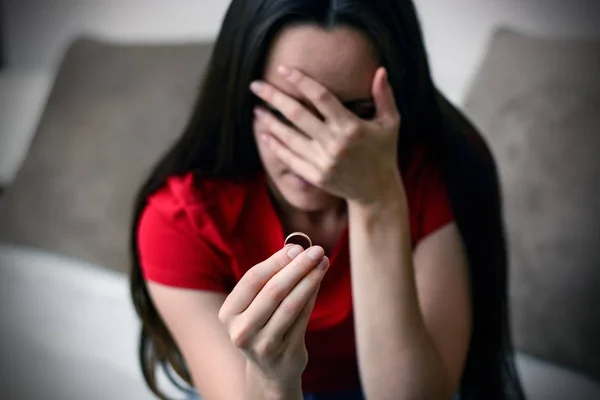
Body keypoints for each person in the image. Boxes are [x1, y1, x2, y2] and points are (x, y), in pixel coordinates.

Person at [129, 1, 526, 399]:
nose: (327, 152)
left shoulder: (439, 169)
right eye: (288, 112)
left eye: (354, 114)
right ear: (240, 98)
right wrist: (271, 376)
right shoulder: (180, 217)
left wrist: (378, 200)